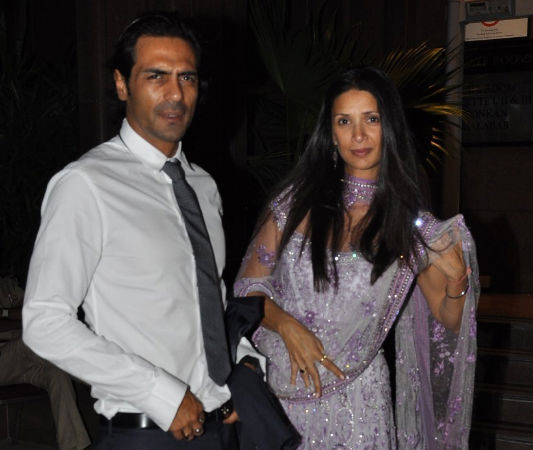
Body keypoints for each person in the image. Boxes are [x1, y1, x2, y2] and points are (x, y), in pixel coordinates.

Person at [22, 12, 263, 450]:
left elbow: (206, 301)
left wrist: (243, 363)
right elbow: (44, 321)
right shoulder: (86, 184)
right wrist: (161, 395)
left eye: (187, 77)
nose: (175, 93)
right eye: (156, 76)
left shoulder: (203, 186)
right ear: (121, 84)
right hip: (145, 433)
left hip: (221, 428)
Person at [234, 66, 479, 450]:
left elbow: (447, 318)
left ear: (389, 128)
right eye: (344, 121)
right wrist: (285, 325)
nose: (358, 135)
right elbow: (247, 288)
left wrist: (457, 284)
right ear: (331, 133)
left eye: (371, 119)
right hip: (280, 402)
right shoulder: (294, 204)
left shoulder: (408, 224)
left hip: (359, 408)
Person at [0, 277, 90, 450]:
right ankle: (94, 376)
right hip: (5, 360)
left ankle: (73, 446)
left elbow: (34, 314)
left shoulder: (7, 286)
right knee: (29, 341)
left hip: (26, 361)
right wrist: (15, 316)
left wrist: (4, 313)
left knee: (57, 376)